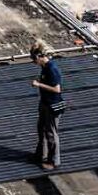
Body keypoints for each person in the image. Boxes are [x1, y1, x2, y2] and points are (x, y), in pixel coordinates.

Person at [30, 42, 64, 171]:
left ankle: (54, 161)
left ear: (40, 56)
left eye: (34, 59)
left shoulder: (52, 68)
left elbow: (57, 89)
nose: (33, 62)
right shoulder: (45, 67)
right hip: (45, 102)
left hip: (53, 105)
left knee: (51, 133)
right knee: (41, 129)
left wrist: (39, 85)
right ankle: (41, 155)